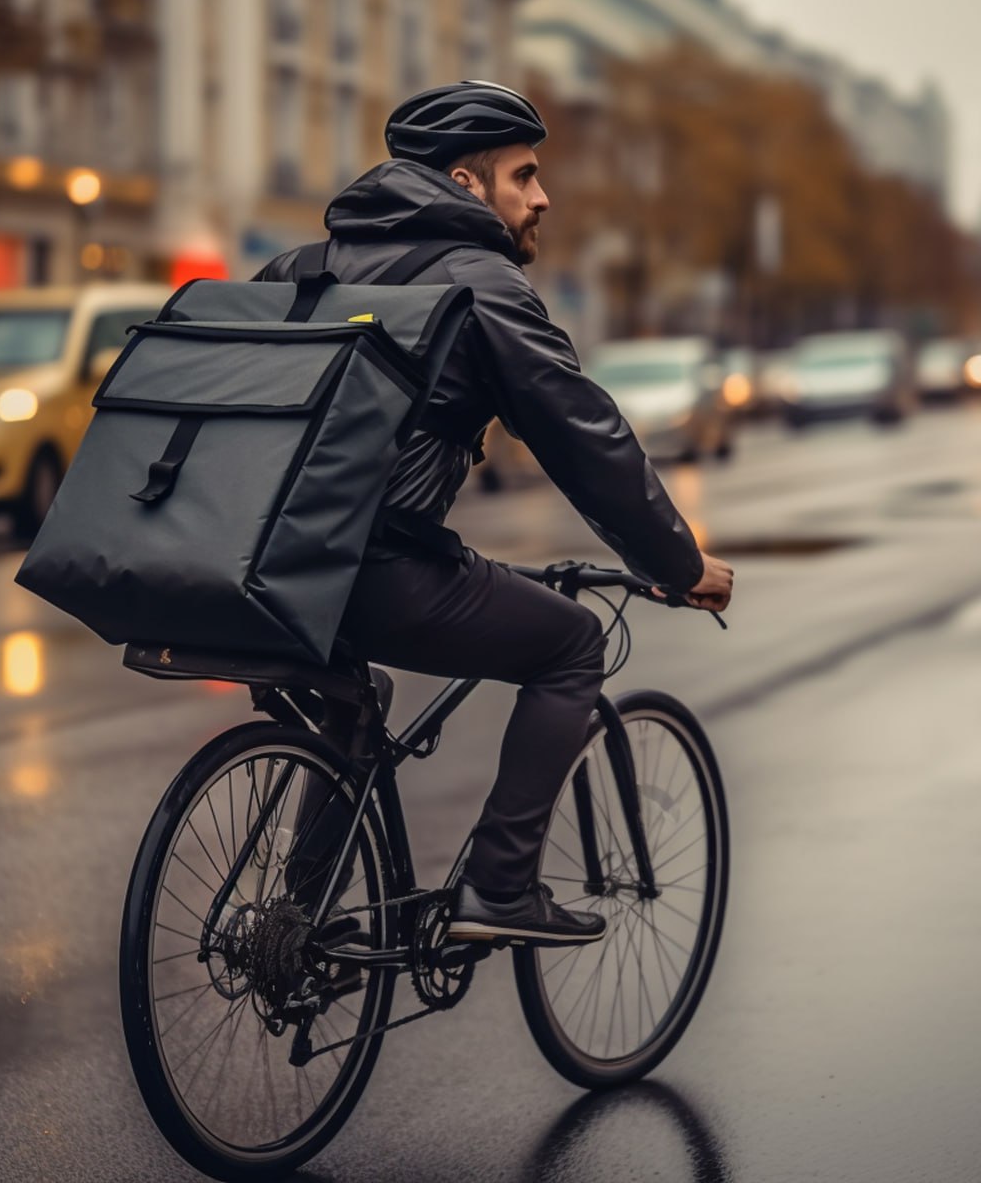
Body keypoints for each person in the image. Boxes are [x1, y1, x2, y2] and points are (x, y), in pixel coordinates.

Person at [255, 81, 734, 946]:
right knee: (570, 643)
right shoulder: (479, 282)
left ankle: (301, 924)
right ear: (466, 186)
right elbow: (582, 432)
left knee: (356, 700)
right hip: (371, 572)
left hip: (257, 573)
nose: (543, 197)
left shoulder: (300, 270)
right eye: (525, 176)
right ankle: (500, 890)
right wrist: (677, 561)